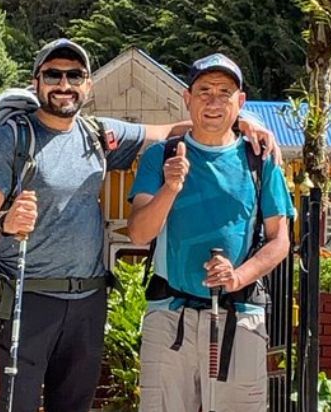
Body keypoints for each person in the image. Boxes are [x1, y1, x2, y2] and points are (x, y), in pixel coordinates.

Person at [0, 38, 278, 412]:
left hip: (88, 299)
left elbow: (175, 130)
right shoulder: (13, 138)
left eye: (75, 75)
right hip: (28, 294)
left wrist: (244, 122)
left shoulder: (98, 134)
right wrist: (5, 221)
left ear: (88, 85)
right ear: (36, 82)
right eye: (53, 74)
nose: (64, 84)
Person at [126, 53, 294, 412]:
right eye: (204, 91)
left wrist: (238, 277)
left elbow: (281, 239)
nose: (214, 101)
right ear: (187, 99)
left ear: (241, 102)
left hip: (241, 315)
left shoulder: (259, 160)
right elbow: (139, 233)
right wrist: (170, 187)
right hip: (170, 315)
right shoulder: (161, 156)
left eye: (224, 92)